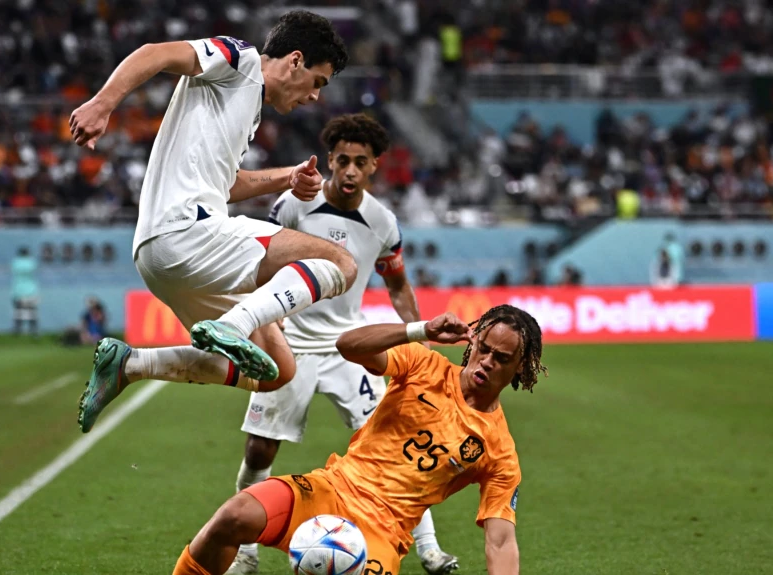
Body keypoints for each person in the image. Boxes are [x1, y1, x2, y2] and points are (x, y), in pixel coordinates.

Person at [71, 11, 359, 433]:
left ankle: (129, 364)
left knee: (277, 371)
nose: (315, 96)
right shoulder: (239, 60)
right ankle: (233, 324)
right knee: (340, 264)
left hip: (161, 256)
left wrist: (286, 177)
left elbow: (224, 185)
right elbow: (156, 53)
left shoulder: (244, 107)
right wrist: (103, 103)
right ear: (295, 60)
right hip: (188, 232)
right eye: (319, 81)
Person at [227, 114, 457, 575]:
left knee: (396, 445)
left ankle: (429, 549)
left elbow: (397, 286)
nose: (350, 170)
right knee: (260, 450)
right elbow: (264, 265)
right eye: (343, 160)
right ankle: (245, 553)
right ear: (330, 160)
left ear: (375, 167)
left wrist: (422, 344)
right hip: (290, 344)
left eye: (361, 163)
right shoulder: (294, 205)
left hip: (351, 348)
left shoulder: (382, 222)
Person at [172, 305, 546, 575]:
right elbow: (350, 345)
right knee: (235, 515)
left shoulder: (498, 450)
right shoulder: (423, 365)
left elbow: (500, 541)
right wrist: (419, 330)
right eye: (483, 348)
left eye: (502, 358)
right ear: (472, 342)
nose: (486, 362)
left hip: (382, 534)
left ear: (521, 366)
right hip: (331, 488)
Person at [10, 246, 39, 337]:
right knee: (32, 312)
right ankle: (33, 330)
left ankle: (17, 330)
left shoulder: (15, 262)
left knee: (18, 312)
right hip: (31, 290)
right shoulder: (32, 262)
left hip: (18, 290)